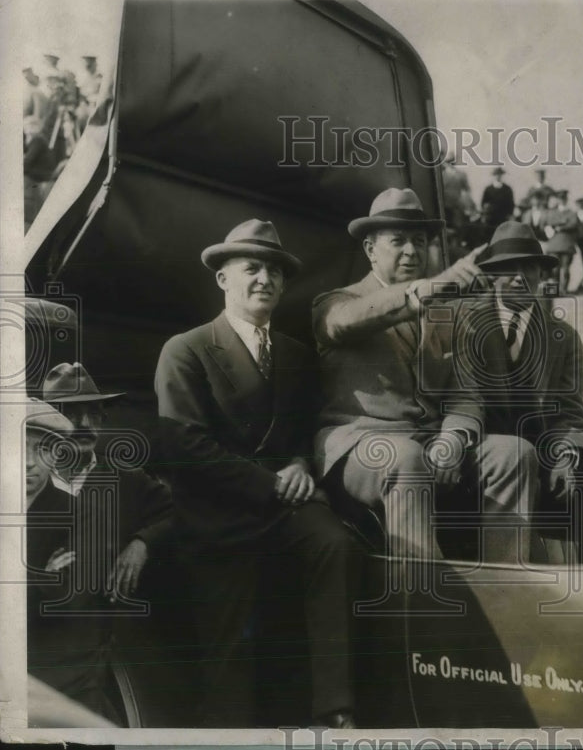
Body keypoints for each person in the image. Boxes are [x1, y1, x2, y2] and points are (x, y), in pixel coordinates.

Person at [154, 218, 358, 728]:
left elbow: (305, 428)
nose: (264, 279)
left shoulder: (295, 354)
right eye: (252, 268)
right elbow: (186, 446)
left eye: (274, 271)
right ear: (223, 279)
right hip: (218, 516)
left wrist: (301, 463)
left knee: (333, 541)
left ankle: (334, 709)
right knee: (230, 667)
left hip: (282, 508)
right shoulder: (187, 349)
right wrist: (272, 483)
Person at [312, 187, 538, 564]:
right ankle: (420, 595)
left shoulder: (447, 313)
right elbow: (347, 322)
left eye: (419, 241)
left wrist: (453, 438)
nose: (411, 251)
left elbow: (465, 392)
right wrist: (430, 288)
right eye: (398, 241)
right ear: (370, 249)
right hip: (358, 445)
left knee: (514, 453)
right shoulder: (336, 303)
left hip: (429, 443)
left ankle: (504, 586)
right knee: (406, 459)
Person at [455, 222, 583, 562]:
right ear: (492, 275)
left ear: (541, 274)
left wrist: (567, 454)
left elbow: (570, 414)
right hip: (477, 458)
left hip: (542, 460)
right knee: (515, 456)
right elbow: (456, 403)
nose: (519, 277)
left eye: (529, 267)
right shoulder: (463, 324)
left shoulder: (563, 338)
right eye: (508, 268)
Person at [25, 399, 125, 723]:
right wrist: (42, 576)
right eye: (15, 448)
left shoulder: (82, 513)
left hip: (55, 679)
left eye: (42, 449)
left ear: (57, 454)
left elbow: (67, 599)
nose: (28, 462)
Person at [43, 362, 174, 600]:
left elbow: (180, 514)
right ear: (47, 422)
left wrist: (143, 543)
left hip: (109, 617)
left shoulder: (128, 477)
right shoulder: (27, 480)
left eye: (93, 413)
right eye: (71, 413)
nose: (85, 424)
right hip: (44, 617)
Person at [542, 189, 578, 293]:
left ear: (566, 199)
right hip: (554, 244)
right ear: (558, 199)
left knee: (566, 269)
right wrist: (563, 222)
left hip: (567, 244)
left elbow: (573, 224)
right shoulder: (552, 212)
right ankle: (556, 290)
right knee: (555, 269)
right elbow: (547, 222)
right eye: (560, 198)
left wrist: (560, 226)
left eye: (564, 198)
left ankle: (564, 289)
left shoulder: (571, 212)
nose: (562, 200)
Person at [480, 166, 515, 232]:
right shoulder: (488, 189)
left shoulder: (507, 189)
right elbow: (483, 203)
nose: (498, 176)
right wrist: (485, 215)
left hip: (503, 218)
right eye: (496, 174)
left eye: (500, 174)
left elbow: (511, 204)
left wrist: (510, 215)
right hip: (491, 219)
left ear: (502, 175)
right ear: (494, 176)